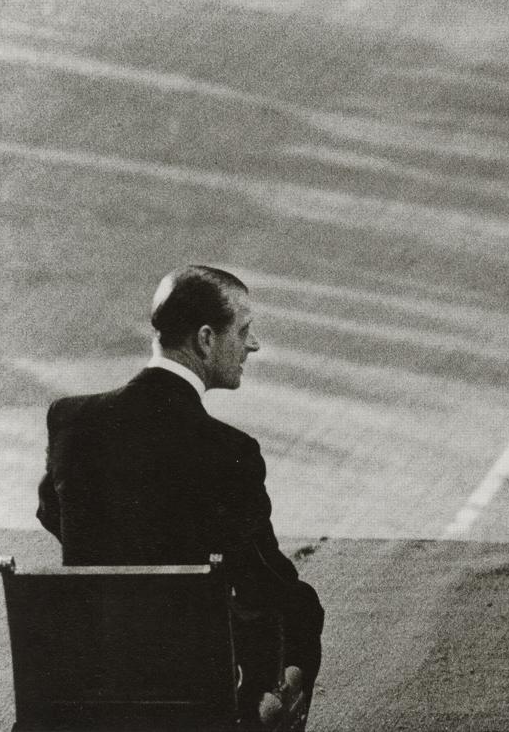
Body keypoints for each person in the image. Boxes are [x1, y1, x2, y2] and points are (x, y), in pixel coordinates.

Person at [36, 265, 324, 731]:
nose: (254, 345)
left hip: (91, 674)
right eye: (245, 331)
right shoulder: (228, 451)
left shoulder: (72, 420)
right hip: (190, 691)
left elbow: (53, 512)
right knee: (299, 608)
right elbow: (263, 577)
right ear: (206, 339)